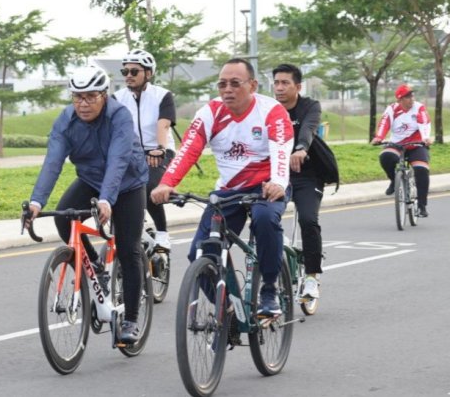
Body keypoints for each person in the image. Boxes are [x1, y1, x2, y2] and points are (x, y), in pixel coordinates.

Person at [151, 58, 293, 316]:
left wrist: (279, 182)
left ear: (252, 85)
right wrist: (166, 182)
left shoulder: (272, 111)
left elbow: (282, 151)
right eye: (222, 84)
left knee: (265, 219)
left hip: (267, 188)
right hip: (229, 192)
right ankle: (229, 309)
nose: (227, 89)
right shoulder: (209, 113)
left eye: (235, 84)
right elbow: (189, 151)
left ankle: (270, 289)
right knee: (199, 253)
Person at [25, 65, 149, 343]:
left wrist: (107, 199)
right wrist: (36, 201)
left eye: (91, 96)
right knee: (63, 217)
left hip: (128, 183)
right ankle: (96, 265)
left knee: (128, 249)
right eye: (77, 97)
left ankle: (130, 319)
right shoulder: (66, 121)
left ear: (104, 95)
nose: (83, 103)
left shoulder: (119, 116)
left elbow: (118, 160)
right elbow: (52, 163)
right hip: (91, 180)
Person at [113, 49, 176, 251]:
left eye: (134, 71)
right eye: (125, 72)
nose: (128, 76)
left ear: (148, 73)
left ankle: (163, 233)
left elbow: (163, 125)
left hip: (158, 150)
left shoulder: (162, 96)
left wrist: (159, 148)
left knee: (148, 185)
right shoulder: (117, 98)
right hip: (130, 153)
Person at [272, 63, 324, 299]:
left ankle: (312, 276)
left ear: (298, 86)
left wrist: (301, 148)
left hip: (306, 173)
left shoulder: (309, 106)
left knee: (308, 219)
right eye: (276, 83)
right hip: (276, 174)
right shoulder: (268, 108)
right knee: (262, 217)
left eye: (285, 83)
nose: (279, 88)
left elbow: (308, 129)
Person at [371, 83, 432, 217]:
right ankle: (394, 180)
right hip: (397, 144)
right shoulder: (392, 109)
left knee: (422, 170)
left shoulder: (419, 108)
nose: (411, 98)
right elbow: (384, 123)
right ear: (399, 100)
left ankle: (422, 206)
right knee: (385, 156)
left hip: (417, 145)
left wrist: (426, 137)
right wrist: (379, 137)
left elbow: (424, 123)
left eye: (412, 95)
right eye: (407, 96)